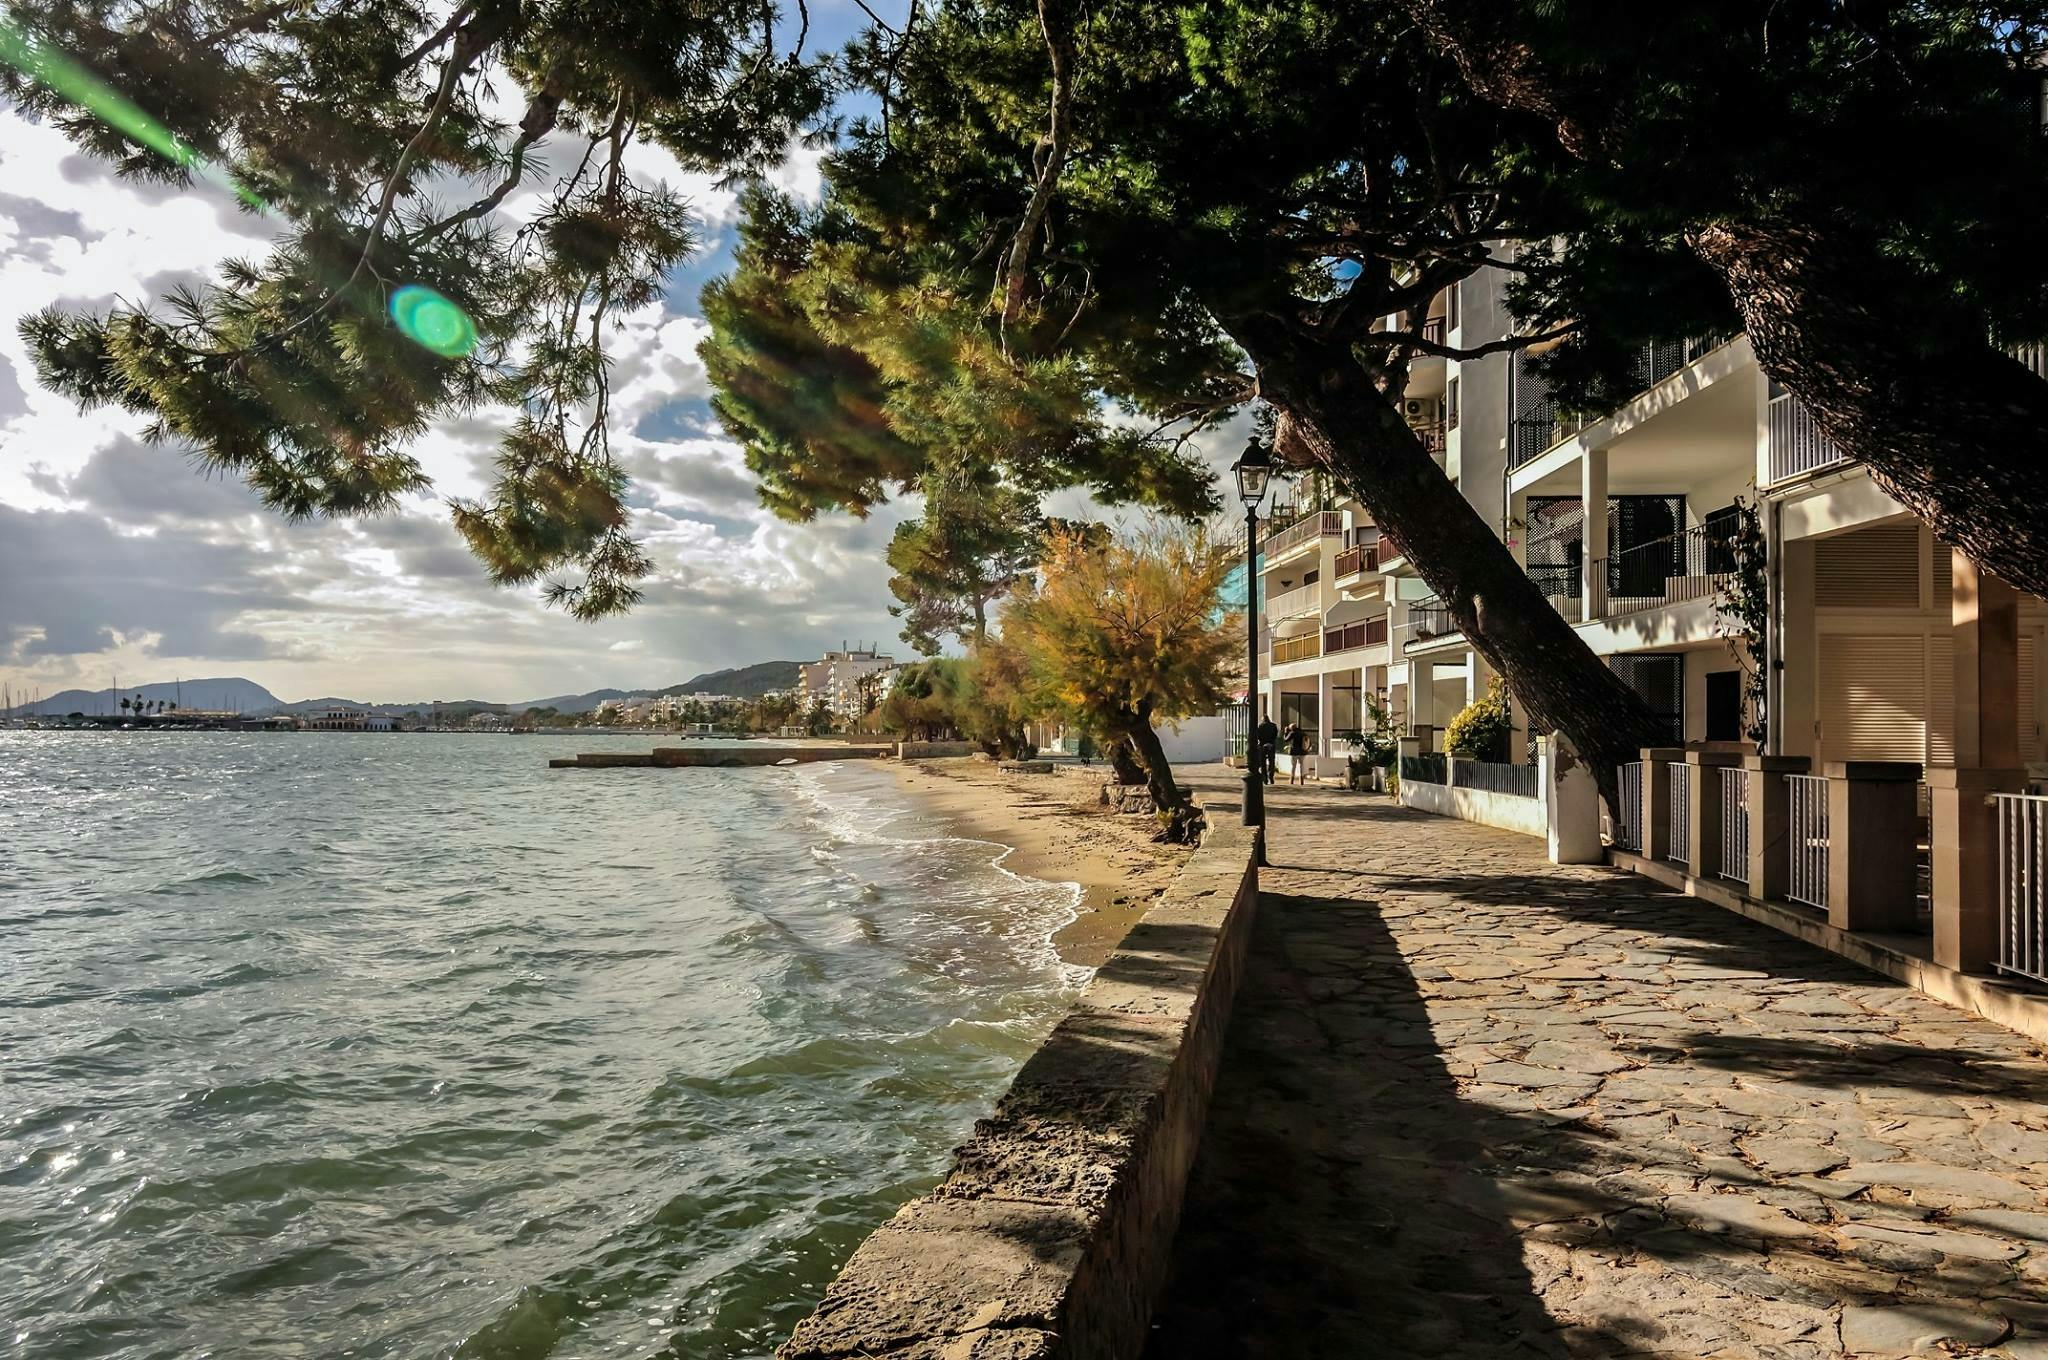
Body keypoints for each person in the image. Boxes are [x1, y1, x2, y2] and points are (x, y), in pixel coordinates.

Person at [1254, 714, 1279, 785]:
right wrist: (1270, 743)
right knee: (1271, 762)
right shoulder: (1274, 725)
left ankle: (1264, 778)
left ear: (1263, 719)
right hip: (1271, 745)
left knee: (1263, 762)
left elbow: (1258, 736)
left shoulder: (1260, 726)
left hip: (1263, 746)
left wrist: (1263, 742)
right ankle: (1271, 776)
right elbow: (1275, 735)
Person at [1285, 720, 1310, 785]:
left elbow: (1286, 739)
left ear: (1292, 728)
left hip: (1294, 752)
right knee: (1301, 765)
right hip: (1302, 752)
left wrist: (1286, 732)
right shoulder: (1302, 733)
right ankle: (1301, 780)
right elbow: (1307, 740)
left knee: (1293, 766)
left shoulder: (1292, 733)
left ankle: (1292, 780)